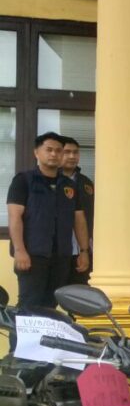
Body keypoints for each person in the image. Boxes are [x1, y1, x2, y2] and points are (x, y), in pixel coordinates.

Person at [6, 132, 90, 308]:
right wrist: (20, 250)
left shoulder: (69, 185)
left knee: (50, 305)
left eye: (58, 151)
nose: (54, 154)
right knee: (29, 304)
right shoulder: (23, 181)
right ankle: (20, 328)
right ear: (36, 153)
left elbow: (79, 219)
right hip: (32, 255)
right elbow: (15, 217)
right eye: (49, 150)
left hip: (61, 256)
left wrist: (84, 251)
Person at [61, 136, 94, 285]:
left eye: (75, 152)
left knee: (80, 293)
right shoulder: (49, 180)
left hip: (83, 250)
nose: (72, 156)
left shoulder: (86, 182)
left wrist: (85, 250)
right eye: (67, 152)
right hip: (57, 250)